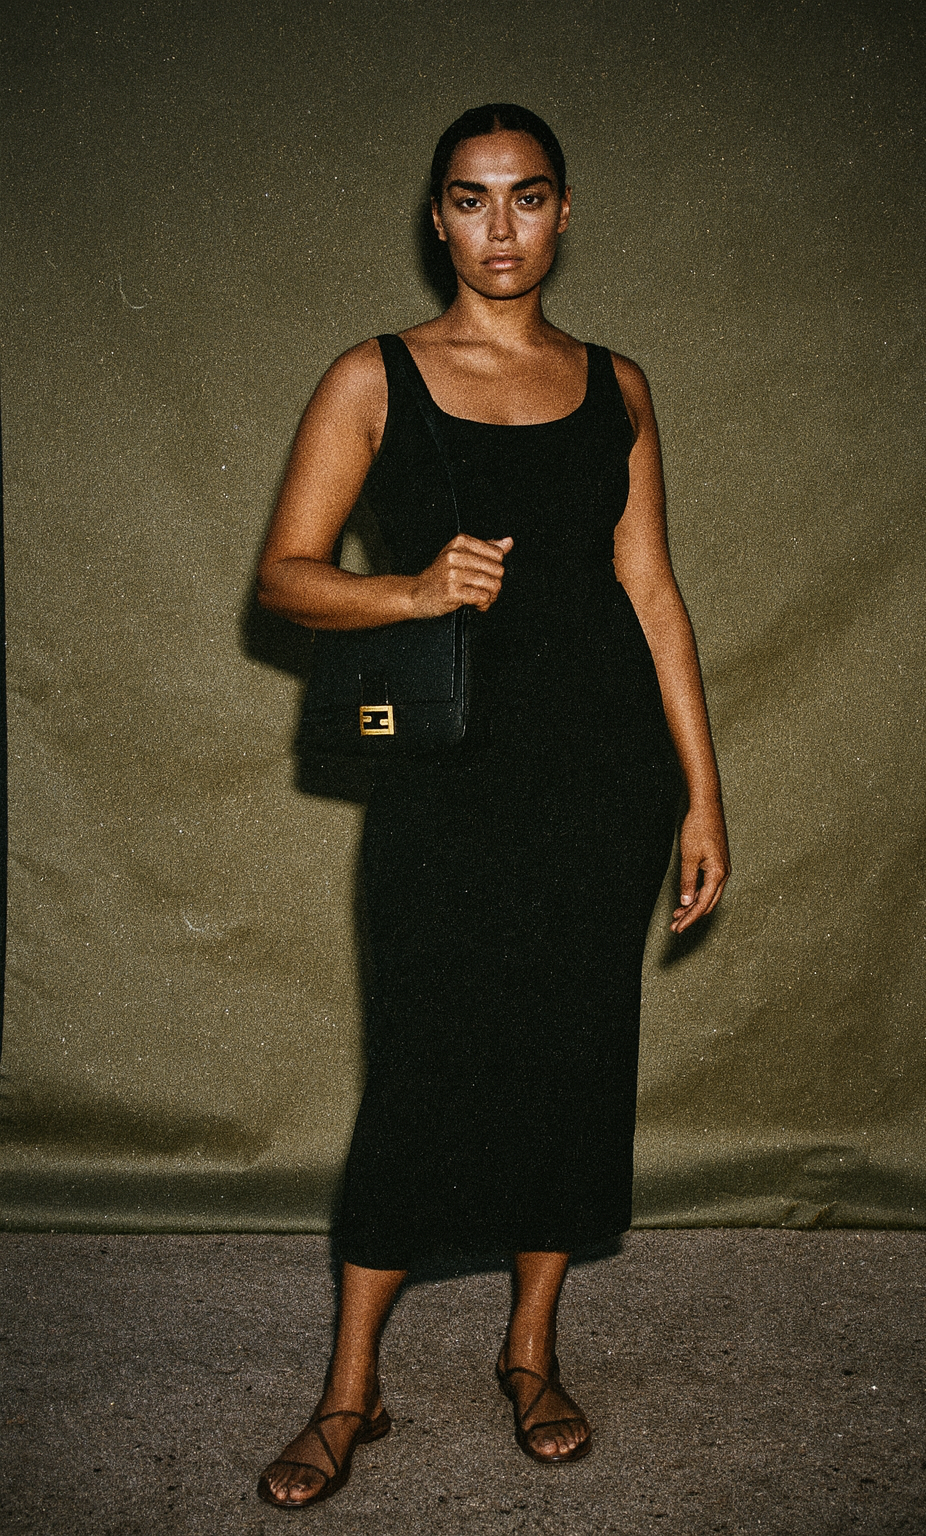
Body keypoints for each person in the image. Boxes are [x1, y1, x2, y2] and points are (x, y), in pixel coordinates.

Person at [254, 103, 730, 1509]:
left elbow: (652, 592)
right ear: (438, 219)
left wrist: (704, 794)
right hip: (448, 778)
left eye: (527, 196)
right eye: (472, 199)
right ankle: (350, 1391)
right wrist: (410, 591)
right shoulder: (374, 376)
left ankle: (531, 1352)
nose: (501, 226)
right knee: (420, 1059)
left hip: (603, 777)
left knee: (575, 1057)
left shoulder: (620, 385)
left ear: (565, 212)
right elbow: (284, 576)